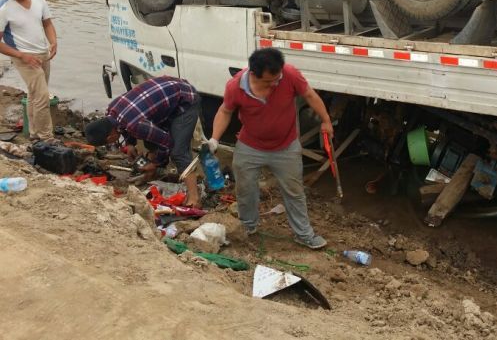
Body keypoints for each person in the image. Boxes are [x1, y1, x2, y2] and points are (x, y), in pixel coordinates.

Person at [208, 48, 332, 249]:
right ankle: (248, 226)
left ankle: (304, 234)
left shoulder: (289, 74)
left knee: (294, 191)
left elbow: (309, 95)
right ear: (254, 74)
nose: (275, 83)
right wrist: (214, 139)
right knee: (245, 188)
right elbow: (225, 111)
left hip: (286, 146)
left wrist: (326, 120)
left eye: (277, 78)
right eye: (269, 81)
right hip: (250, 147)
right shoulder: (235, 87)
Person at [84, 76, 202, 207]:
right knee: (150, 139)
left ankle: (194, 197)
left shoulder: (135, 125)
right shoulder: (111, 111)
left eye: (110, 142)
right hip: (167, 92)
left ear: (109, 137)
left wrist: (156, 163)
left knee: (178, 152)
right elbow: (123, 126)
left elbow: (167, 142)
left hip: (185, 99)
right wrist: (130, 144)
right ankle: (156, 173)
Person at [0, 0, 58, 142]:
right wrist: (22, 56)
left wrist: (53, 41)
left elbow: (47, 23)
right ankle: (46, 137)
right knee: (42, 96)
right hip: (23, 57)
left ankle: (33, 134)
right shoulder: (4, 8)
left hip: (42, 53)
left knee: (34, 95)